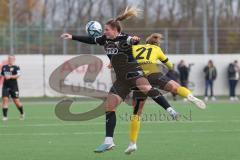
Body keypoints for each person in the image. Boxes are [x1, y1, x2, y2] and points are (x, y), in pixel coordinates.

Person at [61, 7, 162, 153]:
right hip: (122, 79)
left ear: (114, 30)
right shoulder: (105, 39)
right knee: (110, 106)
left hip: (135, 75)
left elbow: (131, 42)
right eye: (104, 30)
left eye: (106, 29)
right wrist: (73, 37)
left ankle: (135, 139)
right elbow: (91, 40)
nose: (104, 32)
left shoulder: (124, 38)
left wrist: (134, 40)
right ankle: (109, 141)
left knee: (137, 108)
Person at [124, 33, 206, 154]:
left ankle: (132, 143)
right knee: (175, 87)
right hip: (153, 71)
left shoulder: (135, 48)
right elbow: (169, 65)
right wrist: (166, 64)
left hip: (138, 76)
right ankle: (189, 96)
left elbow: (125, 59)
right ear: (156, 43)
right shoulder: (156, 49)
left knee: (137, 113)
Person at [1, 55, 25, 121]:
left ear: (14, 59)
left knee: (16, 102)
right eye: (9, 58)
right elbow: (2, 75)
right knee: (5, 100)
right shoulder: (4, 67)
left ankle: (22, 113)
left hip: (14, 87)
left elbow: (18, 75)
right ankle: (5, 116)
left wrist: (10, 77)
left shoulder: (16, 67)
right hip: (5, 86)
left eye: (11, 59)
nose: (10, 60)